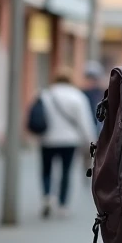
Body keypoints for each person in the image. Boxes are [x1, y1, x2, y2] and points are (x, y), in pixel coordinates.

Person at [37, 67, 97, 219]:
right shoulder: (77, 96)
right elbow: (85, 121)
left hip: (47, 139)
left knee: (46, 170)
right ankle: (63, 205)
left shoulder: (45, 95)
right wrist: (90, 140)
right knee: (66, 171)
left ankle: (47, 196)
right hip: (69, 140)